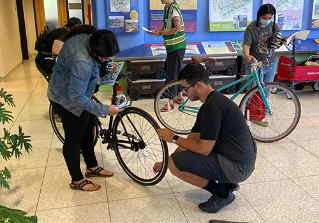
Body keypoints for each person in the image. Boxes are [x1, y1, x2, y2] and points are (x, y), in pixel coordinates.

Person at [153, 62, 257, 213]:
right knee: (173, 161)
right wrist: (165, 162)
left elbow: (203, 150)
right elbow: (191, 140)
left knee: (175, 166)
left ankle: (223, 194)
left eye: (185, 88)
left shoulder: (212, 107)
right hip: (238, 159)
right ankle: (227, 182)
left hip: (238, 167)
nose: (183, 92)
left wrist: (173, 138)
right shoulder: (210, 103)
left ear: (198, 85)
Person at [47, 25, 124, 191]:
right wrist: (105, 110)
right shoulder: (83, 61)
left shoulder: (91, 36)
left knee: (89, 128)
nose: (108, 61)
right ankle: (76, 180)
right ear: (96, 52)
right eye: (105, 58)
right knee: (74, 138)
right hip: (65, 97)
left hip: (77, 90)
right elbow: (77, 98)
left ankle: (92, 167)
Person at [148, 0, 186, 111]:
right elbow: (167, 28)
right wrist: (157, 31)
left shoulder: (173, 9)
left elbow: (177, 29)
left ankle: (170, 103)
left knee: (172, 74)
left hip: (176, 47)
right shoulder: (167, 8)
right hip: (174, 47)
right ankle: (180, 97)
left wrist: (161, 33)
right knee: (177, 72)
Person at [35, 17, 82, 82]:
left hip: (51, 59)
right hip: (45, 60)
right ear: (68, 28)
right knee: (56, 81)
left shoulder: (66, 32)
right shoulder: (61, 34)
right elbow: (55, 51)